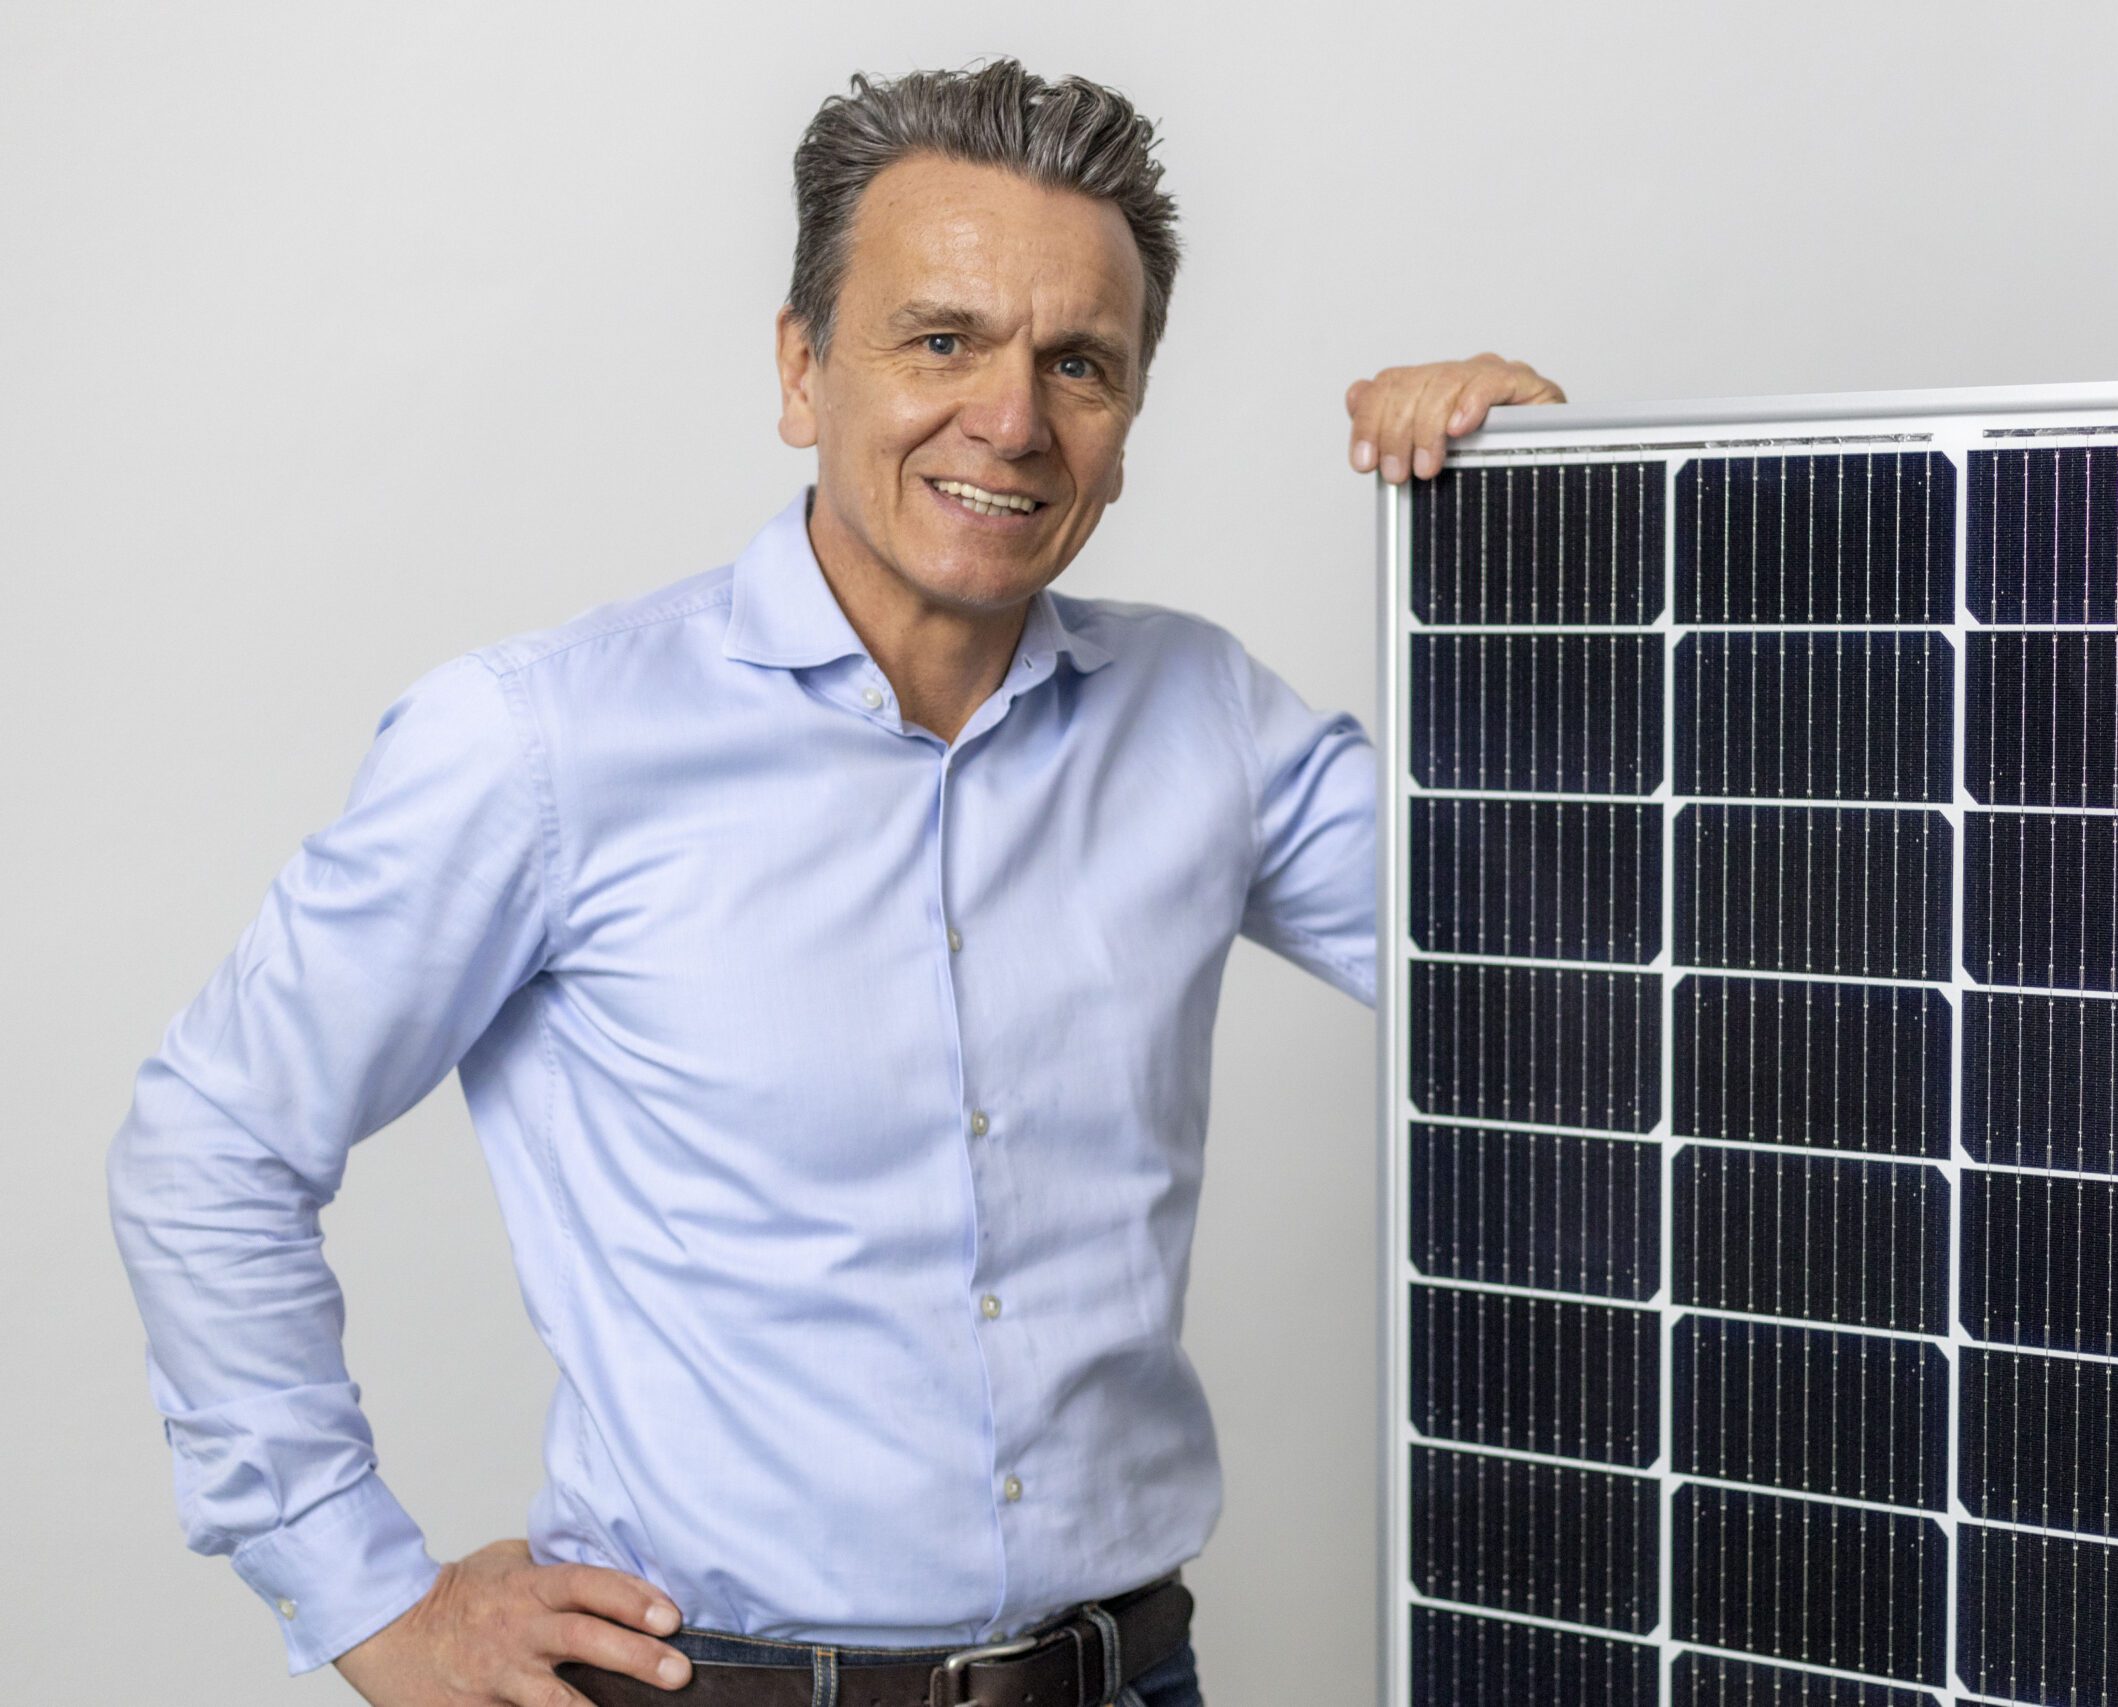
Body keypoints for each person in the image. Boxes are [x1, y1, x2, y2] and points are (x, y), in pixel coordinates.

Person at [105, 58, 1563, 1707]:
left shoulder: (1207, 720)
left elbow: (1569, 958)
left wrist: (1548, 547)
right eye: (941, 341)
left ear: (1129, 421)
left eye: (1077, 363)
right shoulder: (544, 744)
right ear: (803, 369)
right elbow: (211, 1138)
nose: (1010, 421)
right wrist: (369, 1599)